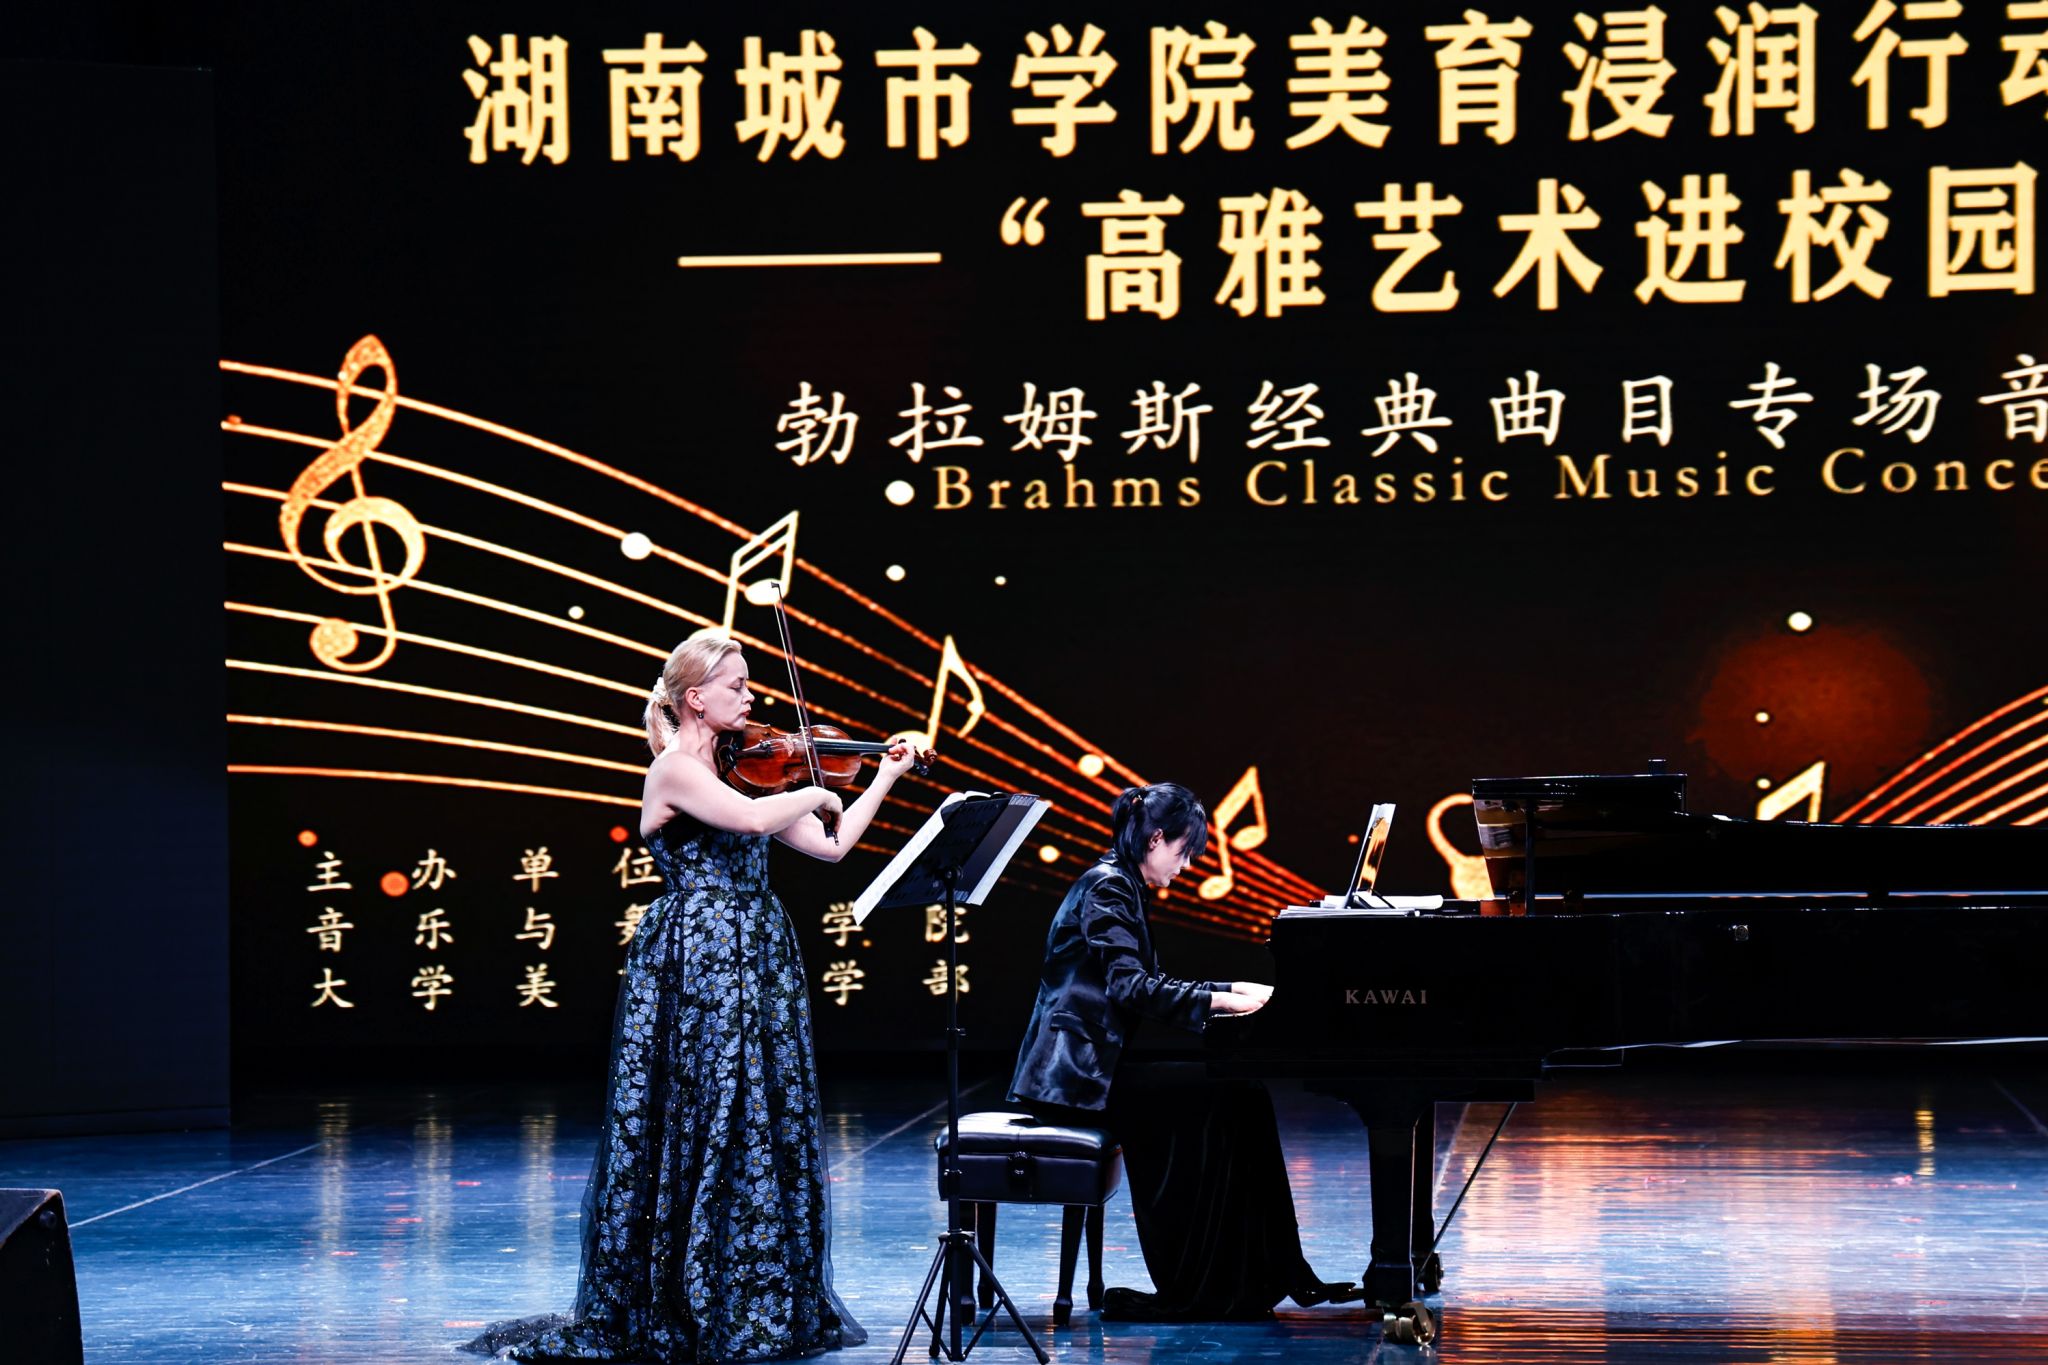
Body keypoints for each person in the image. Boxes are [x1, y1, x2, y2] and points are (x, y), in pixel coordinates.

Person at [471, 628, 915, 1362]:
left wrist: (883, 779)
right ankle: (685, 1292)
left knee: (757, 1111)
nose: (751, 699)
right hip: (699, 956)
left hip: (758, 951)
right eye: (737, 686)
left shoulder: (748, 772)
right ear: (696, 699)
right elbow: (751, 821)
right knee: (705, 1112)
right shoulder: (675, 770)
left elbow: (831, 847)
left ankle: (748, 1292)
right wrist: (815, 789)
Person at [1007, 782, 1358, 1321]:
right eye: (1183, 850)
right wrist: (1224, 1001)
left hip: (1098, 1069)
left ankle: (1266, 1271)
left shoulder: (1120, 883)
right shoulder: (1108, 889)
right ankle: (1205, 1283)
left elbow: (1145, 981)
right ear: (1155, 839)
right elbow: (1131, 989)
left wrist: (1234, 989)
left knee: (1242, 1092)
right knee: (1225, 1095)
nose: (1187, 864)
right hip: (1076, 1080)